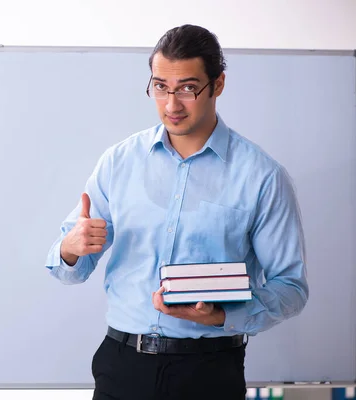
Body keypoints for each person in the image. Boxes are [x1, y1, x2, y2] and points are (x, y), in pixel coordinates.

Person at [44, 24, 309, 400]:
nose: (171, 105)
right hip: (122, 367)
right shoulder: (119, 162)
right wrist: (71, 247)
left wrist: (221, 315)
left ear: (217, 84)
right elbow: (67, 268)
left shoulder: (262, 176)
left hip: (209, 370)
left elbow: (291, 287)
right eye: (160, 87)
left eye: (187, 88)